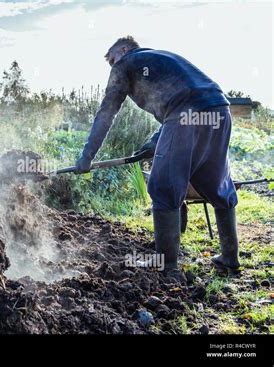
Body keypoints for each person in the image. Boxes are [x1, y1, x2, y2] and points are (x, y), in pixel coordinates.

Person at [75, 36, 240, 273]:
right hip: (219, 111)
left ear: (124, 50)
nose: (112, 67)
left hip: (186, 114)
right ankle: (229, 258)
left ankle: (168, 267)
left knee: (163, 186)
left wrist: (87, 156)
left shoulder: (126, 63)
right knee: (216, 184)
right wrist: (155, 141)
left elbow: (106, 113)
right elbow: (183, 97)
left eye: (112, 60)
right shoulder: (161, 58)